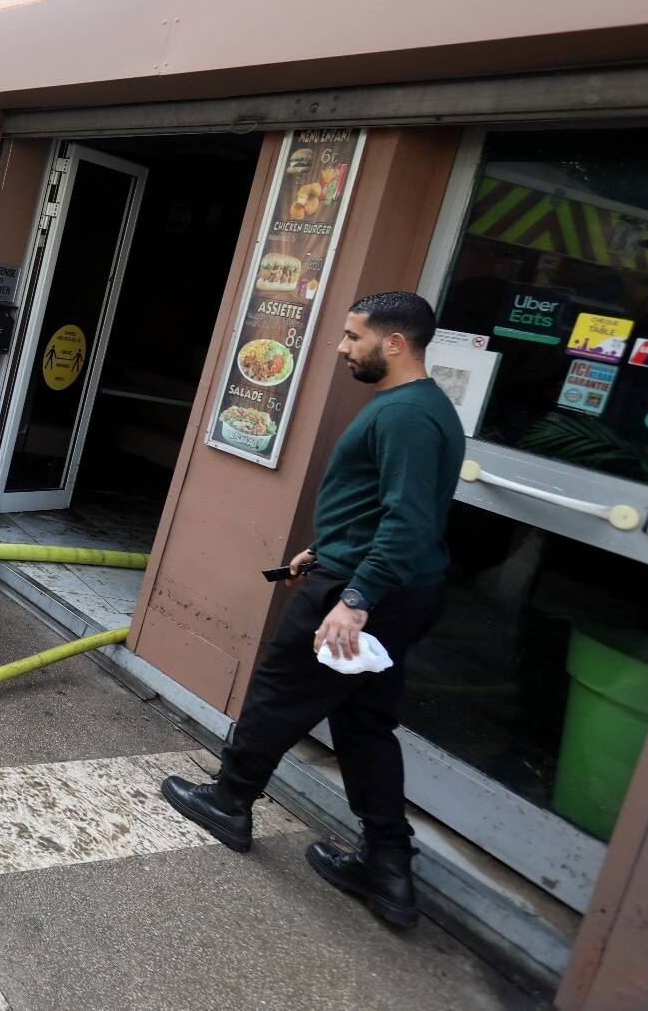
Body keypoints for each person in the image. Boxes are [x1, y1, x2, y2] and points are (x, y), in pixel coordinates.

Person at [161, 291, 462, 928]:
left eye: (355, 337)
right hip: (384, 584)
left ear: (396, 344)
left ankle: (229, 800)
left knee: (278, 691)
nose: (342, 348)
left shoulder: (407, 415)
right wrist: (322, 549)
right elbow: (382, 506)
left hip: (366, 592)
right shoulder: (419, 408)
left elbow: (407, 523)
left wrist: (354, 598)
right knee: (363, 724)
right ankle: (387, 868)